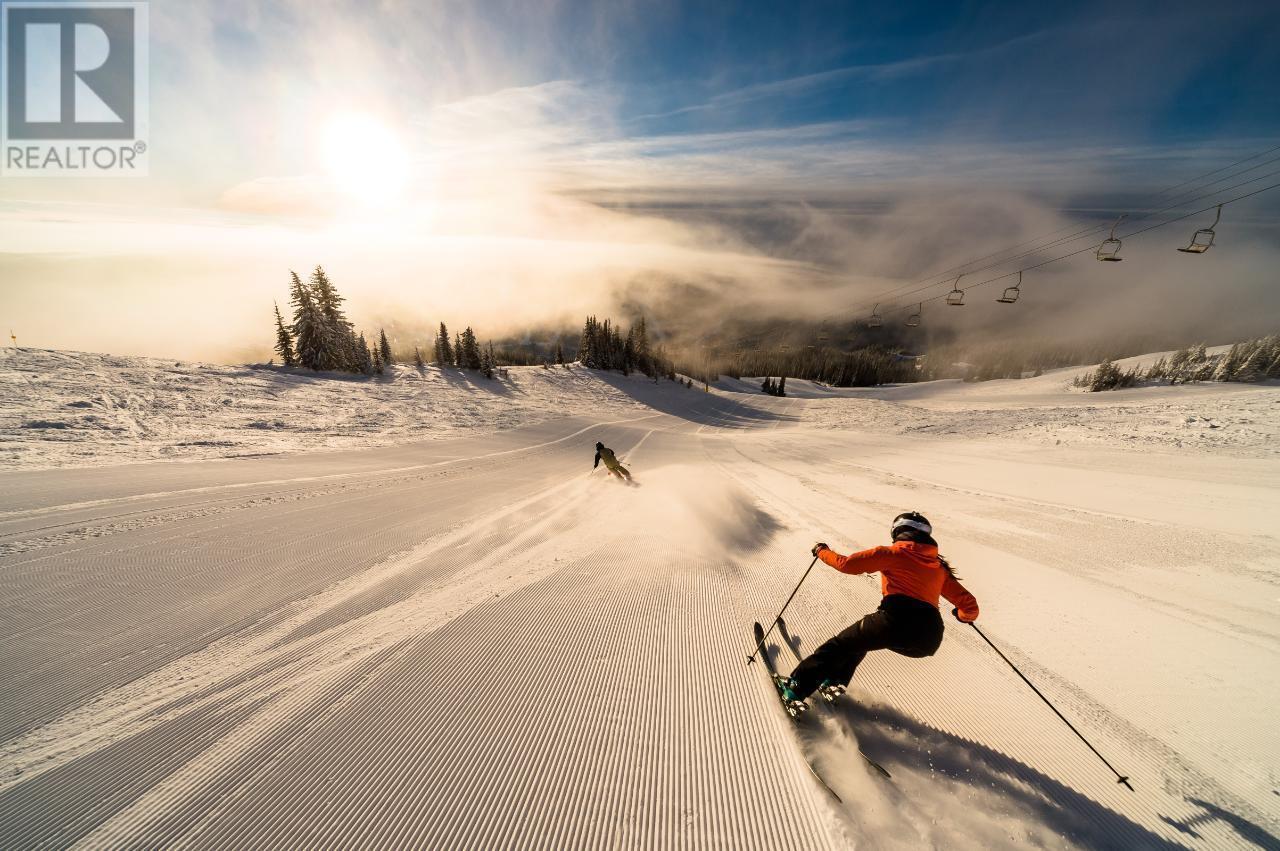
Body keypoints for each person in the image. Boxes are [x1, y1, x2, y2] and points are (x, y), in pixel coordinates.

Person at [776, 511, 979, 711]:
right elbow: (970, 607)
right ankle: (834, 681)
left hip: (895, 620)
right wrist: (961, 616)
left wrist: (822, 551)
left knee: (838, 646)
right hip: (929, 639)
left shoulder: (892, 553)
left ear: (897, 531)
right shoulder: (938, 568)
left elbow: (846, 565)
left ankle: (796, 688)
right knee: (859, 642)